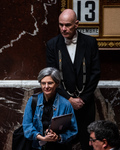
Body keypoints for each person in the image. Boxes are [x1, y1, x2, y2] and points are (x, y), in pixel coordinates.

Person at [46, 9, 101, 150]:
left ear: (76, 24)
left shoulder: (90, 43)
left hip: (86, 103)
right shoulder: (52, 44)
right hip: (63, 102)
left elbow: (95, 73)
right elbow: (52, 75)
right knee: (63, 142)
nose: (63, 29)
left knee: (86, 142)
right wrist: (69, 99)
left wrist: (83, 99)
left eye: (68, 25)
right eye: (61, 25)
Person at [22, 67, 78, 150]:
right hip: (36, 147)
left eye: (50, 83)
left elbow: (73, 130)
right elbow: (27, 126)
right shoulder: (33, 101)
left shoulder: (65, 104)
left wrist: (58, 137)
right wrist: (42, 138)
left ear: (57, 83)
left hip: (57, 147)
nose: (46, 86)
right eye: (43, 83)